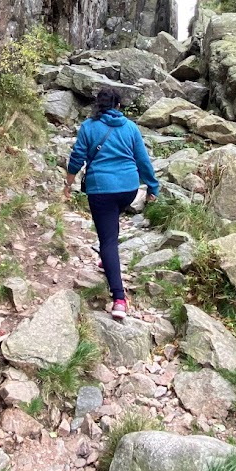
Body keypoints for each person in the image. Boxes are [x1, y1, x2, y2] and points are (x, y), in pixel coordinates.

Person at [63, 88, 159, 320]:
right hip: (128, 189)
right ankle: (108, 259)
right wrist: (152, 187)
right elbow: (142, 160)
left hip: (101, 188)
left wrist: (68, 184)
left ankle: (119, 299)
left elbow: (77, 157)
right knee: (111, 226)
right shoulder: (130, 127)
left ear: (98, 105)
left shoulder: (89, 127)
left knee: (107, 239)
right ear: (118, 106)